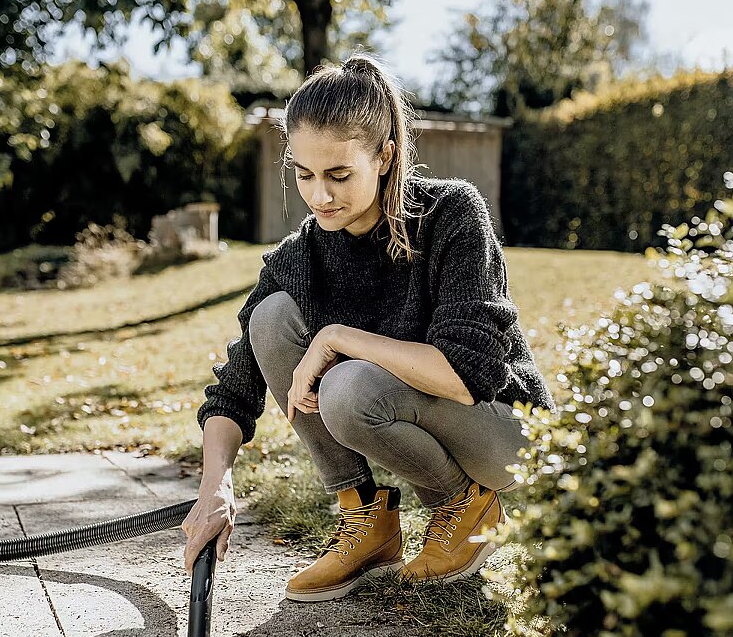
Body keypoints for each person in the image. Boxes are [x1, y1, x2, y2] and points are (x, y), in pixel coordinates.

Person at [180, 52, 555, 603]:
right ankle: (366, 517)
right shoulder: (301, 255)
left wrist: (338, 337)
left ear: (384, 156)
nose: (319, 196)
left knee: (346, 386)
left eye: (338, 175)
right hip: (402, 403)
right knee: (271, 317)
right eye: (304, 174)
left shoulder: (452, 214)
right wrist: (216, 484)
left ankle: (464, 505)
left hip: (502, 430)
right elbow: (235, 389)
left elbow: (466, 376)